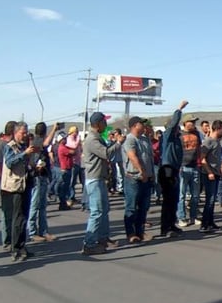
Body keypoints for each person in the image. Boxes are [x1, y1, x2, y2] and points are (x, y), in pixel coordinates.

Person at [81, 112, 124, 255]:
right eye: (104, 122)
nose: (106, 125)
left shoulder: (98, 137)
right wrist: (118, 143)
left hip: (100, 178)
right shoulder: (92, 139)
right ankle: (89, 243)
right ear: (98, 123)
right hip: (94, 179)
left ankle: (103, 238)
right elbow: (106, 153)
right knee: (97, 211)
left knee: (104, 210)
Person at [1, 121, 37, 262]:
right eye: (23, 133)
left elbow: (25, 164)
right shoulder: (10, 147)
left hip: (25, 183)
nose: (25, 135)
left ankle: (22, 246)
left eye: (26, 132)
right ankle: (15, 248)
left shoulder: (24, 146)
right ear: (16, 133)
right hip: (14, 187)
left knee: (24, 218)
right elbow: (10, 162)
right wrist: (24, 154)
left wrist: (33, 166)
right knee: (17, 219)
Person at [122, 116, 154, 244]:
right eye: (142, 123)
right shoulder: (130, 139)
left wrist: (151, 173)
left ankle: (140, 232)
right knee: (131, 207)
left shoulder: (145, 139)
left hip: (147, 178)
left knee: (144, 207)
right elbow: (132, 156)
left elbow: (150, 158)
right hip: (134, 178)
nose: (144, 125)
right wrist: (142, 171)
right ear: (135, 125)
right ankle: (131, 233)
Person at [159, 100, 189, 237]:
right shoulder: (168, 136)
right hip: (167, 170)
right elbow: (173, 124)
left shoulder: (177, 139)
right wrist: (179, 109)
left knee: (174, 199)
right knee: (168, 200)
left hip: (175, 170)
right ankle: (165, 228)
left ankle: (172, 224)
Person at [26, 121, 59, 243]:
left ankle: (43, 231)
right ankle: (33, 232)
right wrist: (54, 129)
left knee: (42, 206)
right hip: (37, 177)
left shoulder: (37, 142)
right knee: (35, 206)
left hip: (43, 176)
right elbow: (46, 143)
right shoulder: (37, 142)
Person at [176, 114, 202, 227]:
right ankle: (181, 217)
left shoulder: (196, 134)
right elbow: (176, 152)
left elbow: (199, 149)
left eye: (194, 122)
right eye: (191, 121)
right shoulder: (179, 135)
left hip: (195, 167)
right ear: (185, 123)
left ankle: (193, 216)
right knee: (181, 195)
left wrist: (200, 163)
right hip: (183, 167)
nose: (193, 124)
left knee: (195, 195)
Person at [200, 120, 222, 232]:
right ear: (218, 128)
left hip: (215, 174)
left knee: (212, 200)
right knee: (209, 200)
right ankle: (204, 224)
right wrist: (209, 172)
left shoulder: (217, 142)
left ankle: (210, 222)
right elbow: (202, 158)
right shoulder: (208, 141)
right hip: (208, 174)